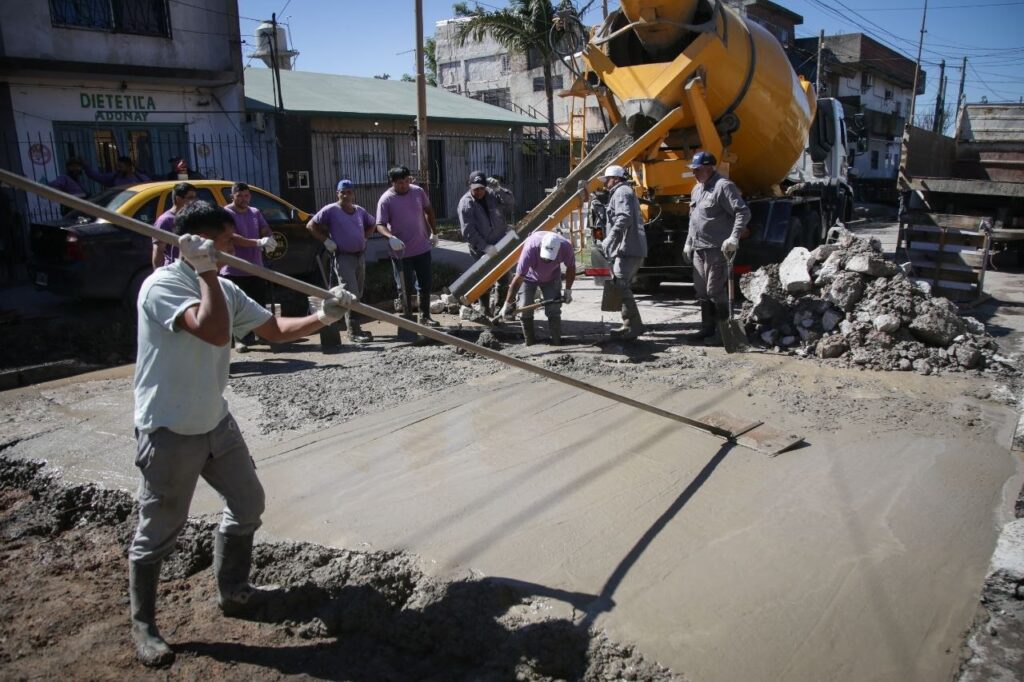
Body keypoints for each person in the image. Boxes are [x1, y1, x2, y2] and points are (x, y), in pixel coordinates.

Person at [127, 200, 354, 668]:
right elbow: (211, 332)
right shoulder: (161, 286)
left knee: (248, 502)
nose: (236, 250)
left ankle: (233, 590)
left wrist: (325, 316)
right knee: (158, 532)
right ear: (203, 244)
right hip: (169, 429)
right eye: (228, 243)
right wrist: (207, 272)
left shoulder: (225, 287)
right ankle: (143, 623)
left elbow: (274, 330)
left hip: (215, 421)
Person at [682, 151, 750, 344]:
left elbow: (743, 212)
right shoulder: (697, 189)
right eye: (693, 170)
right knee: (701, 290)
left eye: (697, 169)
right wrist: (688, 242)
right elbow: (693, 219)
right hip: (699, 247)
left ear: (709, 168)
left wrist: (734, 237)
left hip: (717, 248)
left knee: (714, 290)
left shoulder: (723, 187)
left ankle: (723, 333)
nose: (694, 173)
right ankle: (707, 328)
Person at [306, 179, 376, 343]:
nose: (345, 195)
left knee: (357, 293)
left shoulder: (359, 211)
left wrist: (365, 238)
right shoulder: (331, 210)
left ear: (353, 193)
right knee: (350, 294)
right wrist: (326, 241)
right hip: (343, 257)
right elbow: (311, 225)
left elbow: (372, 223)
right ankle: (353, 331)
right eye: (342, 192)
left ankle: (354, 327)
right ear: (337, 193)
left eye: (348, 192)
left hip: (359, 256)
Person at [375, 165, 439, 326]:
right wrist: (390, 237)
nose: (403, 185)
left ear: (409, 179)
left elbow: (429, 210)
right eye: (399, 183)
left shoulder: (417, 192)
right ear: (392, 183)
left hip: (422, 247)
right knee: (404, 286)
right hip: (400, 252)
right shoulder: (386, 200)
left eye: (405, 181)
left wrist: (434, 232)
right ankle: (408, 318)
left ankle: (425, 316)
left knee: (425, 283)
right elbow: (380, 224)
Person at [222, 182, 278, 351]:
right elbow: (231, 236)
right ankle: (240, 338)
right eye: (239, 196)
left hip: (255, 267)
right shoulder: (226, 213)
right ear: (233, 196)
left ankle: (261, 333)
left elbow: (264, 228)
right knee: (238, 306)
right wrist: (257, 242)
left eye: (246, 195)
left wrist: (269, 239)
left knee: (258, 303)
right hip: (234, 268)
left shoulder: (255, 212)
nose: (243, 199)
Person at [499, 231, 575, 346]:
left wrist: (568, 290)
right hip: (528, 277)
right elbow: (518, 278)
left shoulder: (566, 247)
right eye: (545, 257)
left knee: (553, 308)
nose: (546, 261)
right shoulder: (530, 248)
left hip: (552, 277)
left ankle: (556, 342)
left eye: (550, 258)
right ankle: (529, 343)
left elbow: (571, 268)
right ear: (541, 247)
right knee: (524, 308)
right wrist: (507, 303)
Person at [600, 164, 647, 341]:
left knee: (621, 285)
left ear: (616, 179)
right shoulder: (624, 192)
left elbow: (624, 217)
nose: (605, 184)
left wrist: (610, 238)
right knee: (621, 285)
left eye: (607, 180)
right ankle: (631, 325)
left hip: (627, 249)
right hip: (628, 248)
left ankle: (633, 326)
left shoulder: (621, 192)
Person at [458, 170, 514, 315]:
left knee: (503, 276)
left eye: (482, 188)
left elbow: (511, 202)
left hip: (500, 242)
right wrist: (484, 247)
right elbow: (468, 231)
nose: (479, 191)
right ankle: (484, 310)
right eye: (475, 188)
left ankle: (500, 309)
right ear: (469, 186)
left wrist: (499, 189)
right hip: (480, 247)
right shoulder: (466, 204)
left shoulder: (492, 194)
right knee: (484, 278)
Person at [151, 182, 197, 269]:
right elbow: (158, 251)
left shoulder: (191, 217)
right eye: (190, 198)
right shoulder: (165, 220)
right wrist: (158, 274)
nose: (194, 201)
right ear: (178, 199)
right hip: (174, 270)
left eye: (195, 198)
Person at [86, 155, 150, 188]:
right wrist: (85, 166)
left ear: (129, 167)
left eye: (120, 167)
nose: (118, 169)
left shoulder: (142, 178)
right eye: (117, 166)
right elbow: (95, 176)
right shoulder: (113, 178)